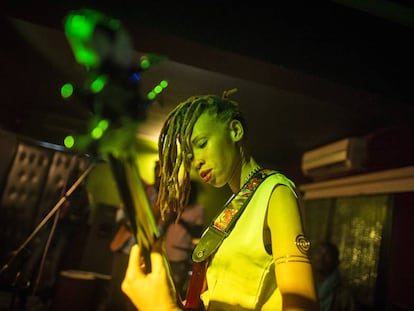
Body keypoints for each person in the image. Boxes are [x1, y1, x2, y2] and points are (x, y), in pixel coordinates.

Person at [121, 91, 319, 310]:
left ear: (235, 130)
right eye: (189, 156)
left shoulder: (275, 191)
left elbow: (301, 304)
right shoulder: (235, 205)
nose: (196, 162)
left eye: (202, 143)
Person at [162, 181, 205, 299]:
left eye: (187, 191)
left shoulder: (198, 209)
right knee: (162, 289)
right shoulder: (177, 207)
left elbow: (197, 232)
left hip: (180, 256)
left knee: (175, 292)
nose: (184, 194)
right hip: (166, 253)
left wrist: (180, 219)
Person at [311, 241, 357, 311]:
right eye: (318, 252)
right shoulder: (301, 284)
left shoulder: (343, 295)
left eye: (327, 254)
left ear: (336, 262)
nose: (321, 257)